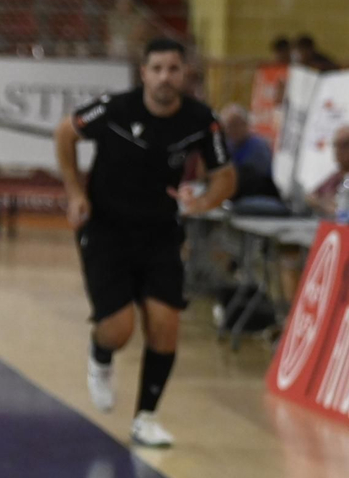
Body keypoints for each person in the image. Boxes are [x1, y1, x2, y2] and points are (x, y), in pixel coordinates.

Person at [56, 38, 235, 448]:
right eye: (156, 69)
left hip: (160, 235)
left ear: (184, 74)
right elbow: (65, 133)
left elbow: (225, 176)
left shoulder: (201, 120)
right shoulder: (115, 109)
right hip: (106, 231)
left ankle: (146, 418)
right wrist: (75, 192)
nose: (164, 77)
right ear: (144, 73)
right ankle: (101, 355)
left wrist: (202, 201)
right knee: (119, 330)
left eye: (173, 69)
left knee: (165, 327)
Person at [219, 104, 278, 201]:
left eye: (236, 124)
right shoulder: (229, 145)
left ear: (246, 124)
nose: (232, 130)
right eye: (228, 126)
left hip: (257, 196)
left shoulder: (257, 146)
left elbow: (250, 178)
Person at [306, 124, 349, 218]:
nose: (337, 150)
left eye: (344, 145)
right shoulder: (336, 176)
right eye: (335, 145)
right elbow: (311, 196)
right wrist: (322, 204)